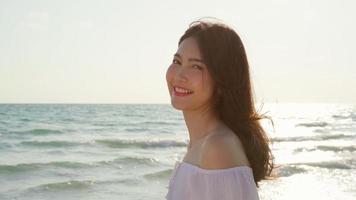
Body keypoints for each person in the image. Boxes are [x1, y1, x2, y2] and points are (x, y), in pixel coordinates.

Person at [165, 19, 274, 200]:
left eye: (196, 66)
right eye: (177, 61)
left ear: (222, 79)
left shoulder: (217, 149)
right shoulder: (200, 144)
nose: (179, 75)